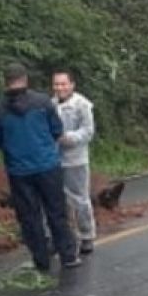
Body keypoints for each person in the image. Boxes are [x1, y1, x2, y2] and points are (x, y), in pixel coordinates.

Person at [0, 64, 80, 271]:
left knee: (29, 217)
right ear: (25, 79)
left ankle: (41, 260)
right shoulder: (43, 102)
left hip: (18, 171)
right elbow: (57, 129)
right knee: (56, 211)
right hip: (47, 165)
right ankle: (68, 255)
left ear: (5, 81)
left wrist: (10, 145)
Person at [52, 70, 96, 254]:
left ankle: (87, 235)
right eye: (56, 84)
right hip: (54, 160)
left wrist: (69, 138)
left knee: (80, 199)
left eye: (63, 84)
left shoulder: (82, 105)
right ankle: (65, 237)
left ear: (72, 85)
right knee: (58, 201)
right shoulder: (50, 104)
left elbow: (88, 131)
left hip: (75, 160)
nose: (60, 88)